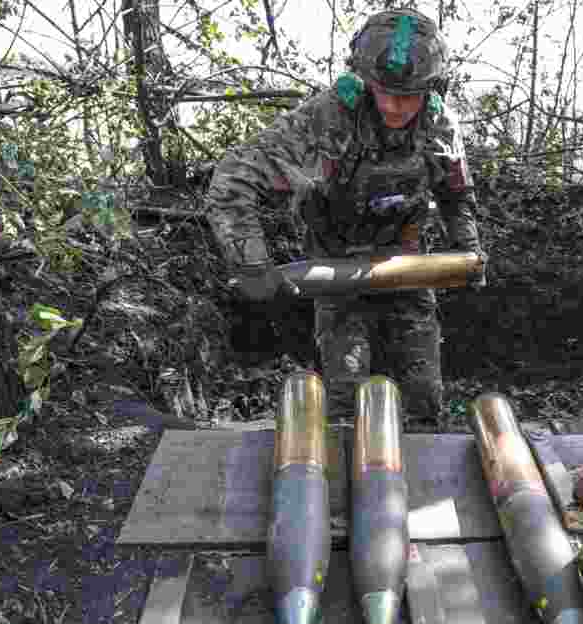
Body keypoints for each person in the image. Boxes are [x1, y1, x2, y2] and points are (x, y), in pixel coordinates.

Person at [206, 8, 486, 426]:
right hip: (335, 270)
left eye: (409, 95)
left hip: (407, 267)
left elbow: (456, 192)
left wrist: (467, 250)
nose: (395, 106)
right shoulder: (326, 119)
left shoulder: (439, 123)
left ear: (431, 89)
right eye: (384, 92)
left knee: (423, 398)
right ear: (363, 81)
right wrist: (252, 264)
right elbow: (232, 179)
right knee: (347, 400)